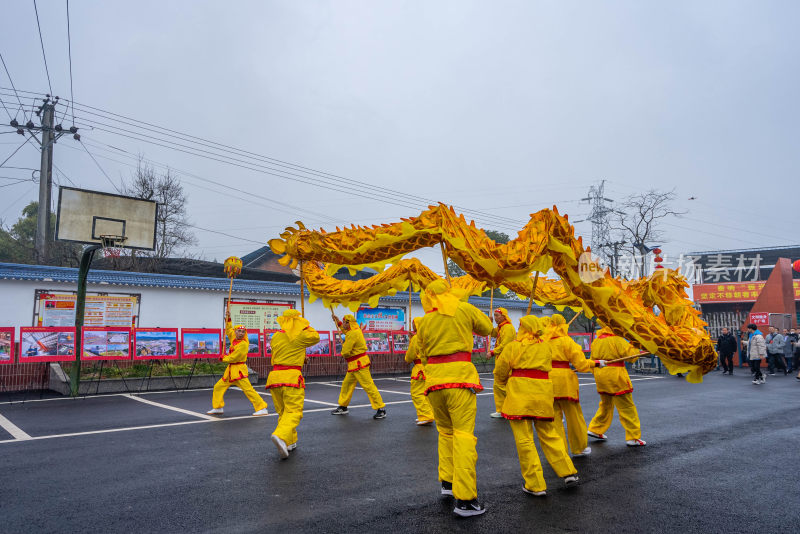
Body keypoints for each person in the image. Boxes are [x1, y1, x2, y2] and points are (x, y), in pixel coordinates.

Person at [417, 279, 493, 517]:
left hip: (434, 381)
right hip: (459, 377)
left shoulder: (425, 319)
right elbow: (487, 328)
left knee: (446, 433)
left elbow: (422, 353)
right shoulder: (463, 308)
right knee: (463, 436)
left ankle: (448, 484)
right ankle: (466, 499)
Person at [494, 315, 583, 496]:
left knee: (525, 440)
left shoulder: (513, 346)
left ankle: (535, 484)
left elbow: (501, 370)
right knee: (550, 435)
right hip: (542, 394)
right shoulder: (545, 346)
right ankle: (568, 471)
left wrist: (504, 383)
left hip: (519, 395)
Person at [266, 309, 320, 459]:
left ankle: (289, 442)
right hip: (291, 377)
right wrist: (304, 325)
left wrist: (301, 356)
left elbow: (282, 354)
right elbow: (315, 336)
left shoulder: (276, 336)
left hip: (275, 377)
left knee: (283, 413)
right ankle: (280, 436)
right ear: (296, 321)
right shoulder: (300, 335)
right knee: (294, 412)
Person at [546, 314, 599, 457]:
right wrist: (595, 363)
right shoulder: (567, 341)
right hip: (565, 382)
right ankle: (579, 447)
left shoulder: (543, 341)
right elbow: (581, 365)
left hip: (547, 381)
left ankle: (559, 451)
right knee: (574, 417)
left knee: (554, 418)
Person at [586, 326, 646, 446]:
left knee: (606, 405)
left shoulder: (597, 341)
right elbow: (632, 357)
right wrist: (635, 345)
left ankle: (595, 429)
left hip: (601, 375)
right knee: (627, 407)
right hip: (616, 376)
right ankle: (633, 437)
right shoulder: (617, 339)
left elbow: (592, 360)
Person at [207, 313, 269, 416]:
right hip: (230, 371)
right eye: (239, 331)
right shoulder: (234, 339)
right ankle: (218, 407)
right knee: (218, 387)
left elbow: (235, 357)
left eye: (243, 331)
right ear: (235, 332)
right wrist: (228, 319)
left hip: (239, 370)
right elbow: (228, 330)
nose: (240, 333)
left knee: (248, 390)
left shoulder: (243, 344)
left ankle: (262, 408)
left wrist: (224, 358)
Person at [330, 313, 386, 419]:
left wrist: (342, 351)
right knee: (347, 385)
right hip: (354, 364)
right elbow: (346, 331)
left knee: (368, 386)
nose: (344, 324)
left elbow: (346, 352)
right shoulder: (355, 330)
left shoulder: (353, 334)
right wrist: (338, 322)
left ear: (348, 323)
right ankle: (343, 406)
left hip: (359, 364)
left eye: (344, 321)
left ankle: (381, 409)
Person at [404, 317, 434, 426]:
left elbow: (410, 356)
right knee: (426, 393)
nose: (412, 325)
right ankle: (426, 414)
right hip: (428, 367)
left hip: (419, 368)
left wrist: (412, 340)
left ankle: (426, 415)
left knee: (417, 393)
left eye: (413, 323)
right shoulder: (428, 336)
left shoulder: (417, 338)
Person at [490, 307, 517, 418]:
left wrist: (493, 352)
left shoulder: (508, 328)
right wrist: (489, 322)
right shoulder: (500, 328)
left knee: (500, 384)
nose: (496, 317)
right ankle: (506, 409)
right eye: (494, 315)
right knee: (503, 384)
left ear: (504, 316)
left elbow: (506, 344)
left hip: (506, 359)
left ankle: (504, 409)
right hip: (502, 359)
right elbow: (491, 333)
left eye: (497, 315)